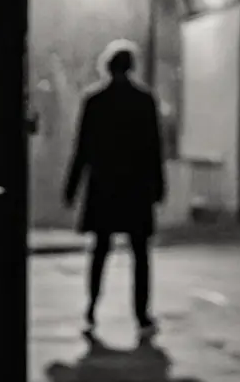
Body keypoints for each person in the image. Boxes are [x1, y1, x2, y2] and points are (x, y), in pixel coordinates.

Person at [64, 40, 166, 334]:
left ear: (106, 67)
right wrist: (158, 186)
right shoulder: (145, 100)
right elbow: (153, 148)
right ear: (131, 66)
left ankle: (92, 309)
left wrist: (72, 187)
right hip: (136, 186)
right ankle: (142, 315)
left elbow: (81, 149)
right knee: (140, 253)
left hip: (103, 185)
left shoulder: (93, 101)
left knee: (100, 250)